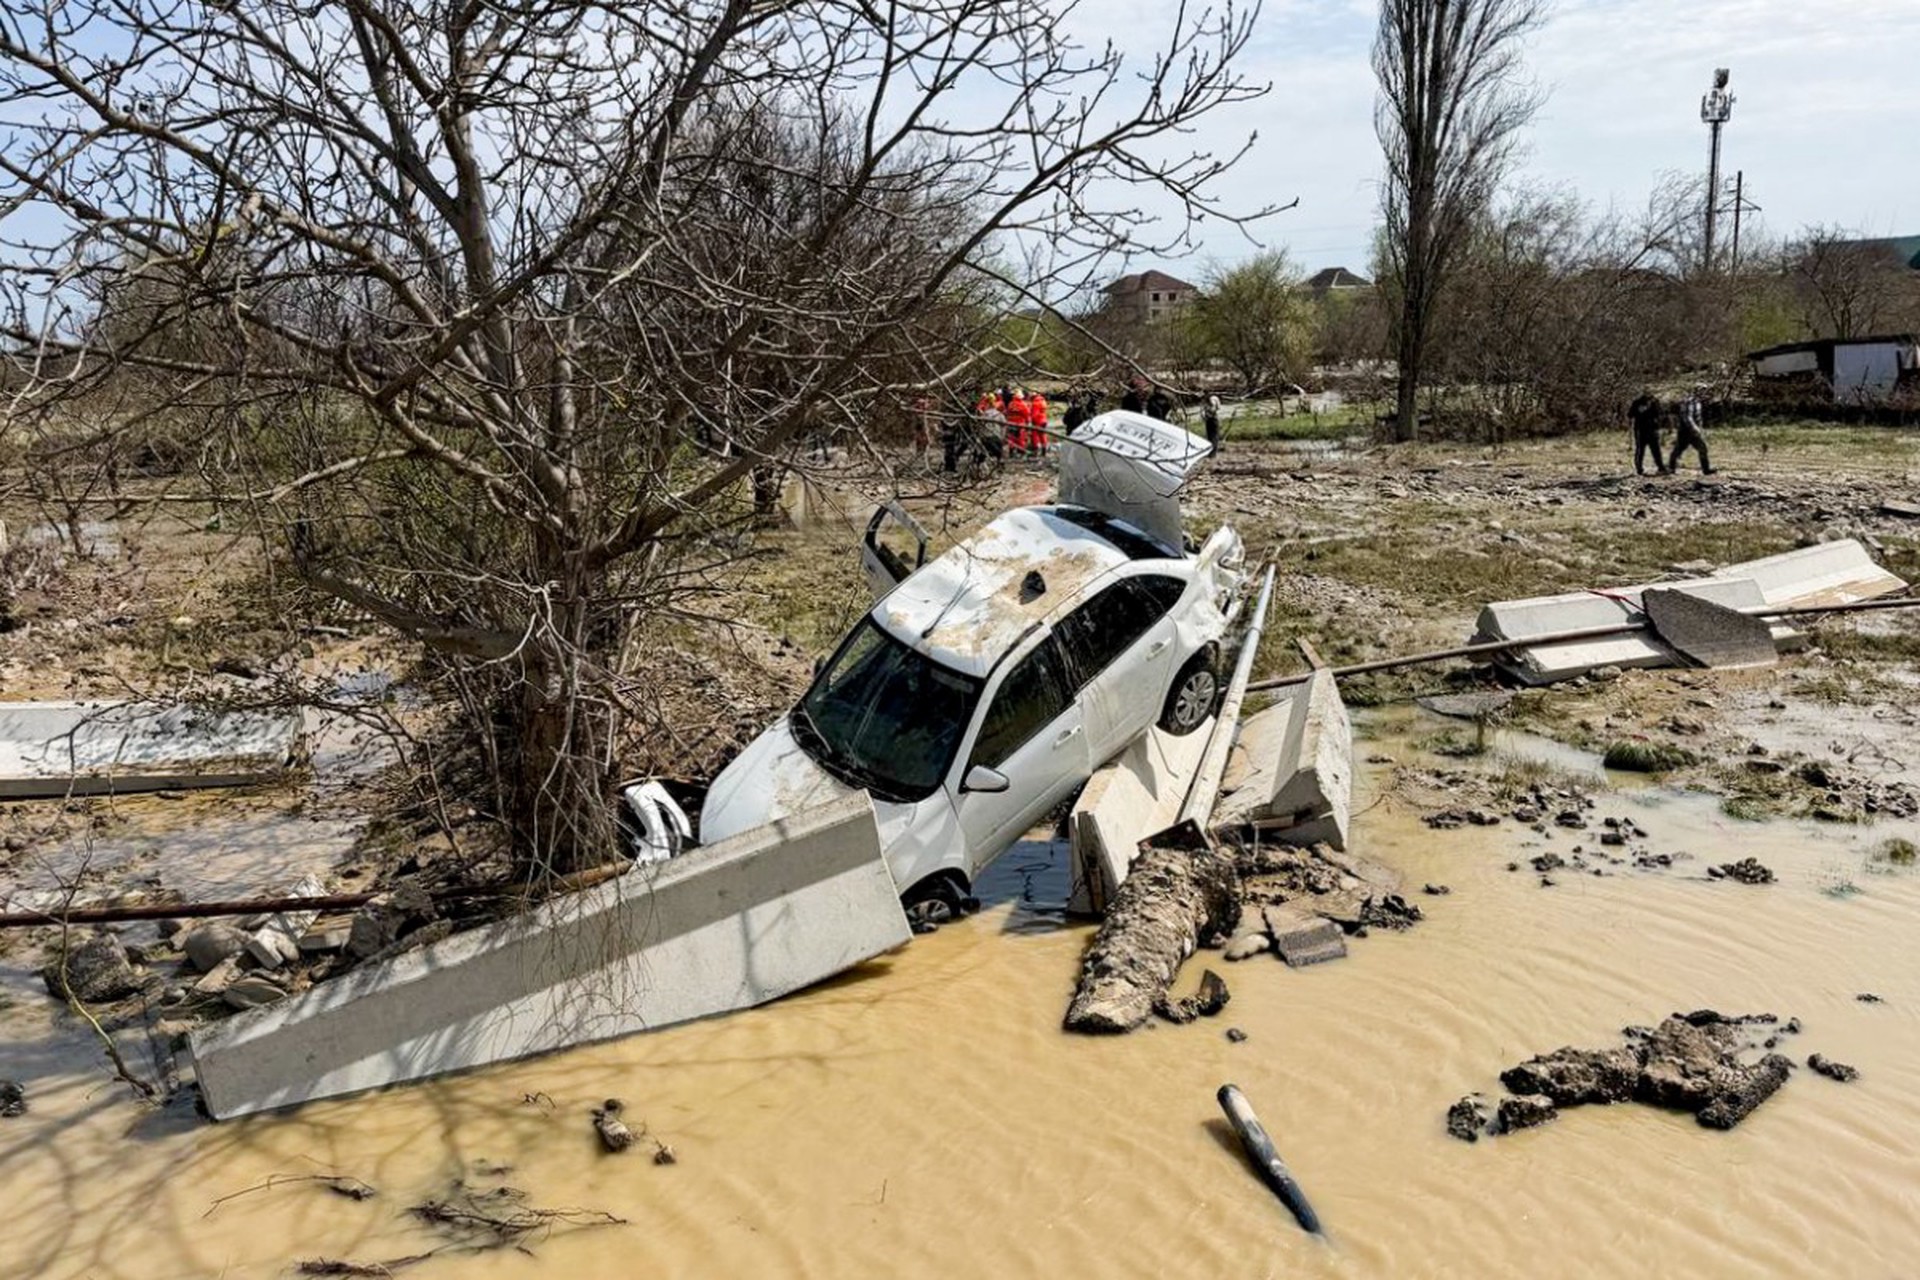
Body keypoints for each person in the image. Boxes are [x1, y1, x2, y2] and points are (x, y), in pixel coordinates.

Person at [1668, 385, 1715, 475]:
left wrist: (1700, 428)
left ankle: (1706, 470)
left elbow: (1697, 417)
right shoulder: (1689, 401)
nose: (1704, 393)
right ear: (1697, 391)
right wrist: (1694, 428)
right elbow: (1687, 417)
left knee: (1702, 448)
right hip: (1685, 431)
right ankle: (1671, 468)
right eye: (1702, 391)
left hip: (1693, 430)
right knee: (1679, 449)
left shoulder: (1698, 402)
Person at [1627, 390, 1667, 476]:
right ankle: (1639, 468)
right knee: (1640, 450)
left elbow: (1661, 414)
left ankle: (1661, 467)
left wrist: (1660, 424)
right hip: (1640, 430)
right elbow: (1630, 415)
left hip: (1653, 430)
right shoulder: (1637, 402)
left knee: (1656, 450)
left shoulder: (1655, 402)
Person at [1003, 390, 1031, 456]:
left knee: (1011, 438)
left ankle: (1011, 452)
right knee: (1021, 438)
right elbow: (1027, 415)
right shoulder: (1023, 404)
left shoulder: (1010, 404)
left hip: (1011, 423)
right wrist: (1028, 423)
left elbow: (1007, 413)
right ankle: (1021, 453)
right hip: (1020, 424)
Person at [1029, 389, 1050, 455]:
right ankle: (1044, 449)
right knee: (1043, 435)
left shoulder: (1035, 403)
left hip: (1037, 421)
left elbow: (1034, 415)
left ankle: (1035, 451)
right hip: (1043, 420)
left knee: (1035, 436)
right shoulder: (1043, 401)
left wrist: (1030, 421)